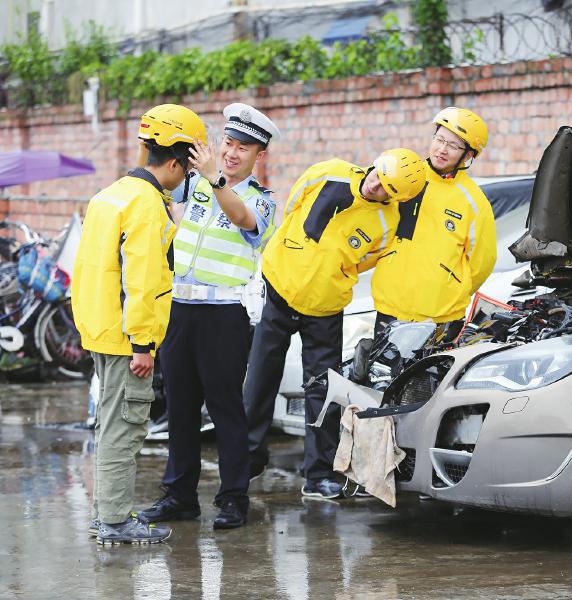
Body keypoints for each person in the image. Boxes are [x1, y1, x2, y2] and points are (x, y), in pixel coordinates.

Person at [242, 148, 426, 499]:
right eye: (377, 177)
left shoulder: (387, 223)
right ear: (374, 166)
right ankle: (247, 461)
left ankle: (318, 475)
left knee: (321, 393)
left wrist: (331, 271)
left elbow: (366, 261)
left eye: (387, 189)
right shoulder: (328, 172)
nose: (376, 187)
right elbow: (294, 203)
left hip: (324, 307)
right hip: (279, 288)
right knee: (260, 380)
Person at [139, 103, 280, 530]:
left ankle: (234, 497)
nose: (233, 153)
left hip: (223, 315)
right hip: (180, 310)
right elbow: (171, 203)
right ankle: (180, 496)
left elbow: (241, 218)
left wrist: (216, 179)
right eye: (228, 143)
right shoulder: (195, 186)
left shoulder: (264, 200)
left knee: (225, 409)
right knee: (180, 408)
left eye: (244, 147)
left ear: (261, 155)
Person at [72, 103, 207, 545]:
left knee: (110, 424)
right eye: (187, 170)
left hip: (99, 327)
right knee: (125, 427)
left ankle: (105, 511)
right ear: (175, 163)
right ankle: (113, 520)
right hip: (126, 337)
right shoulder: (147, 205)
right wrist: (143, 345)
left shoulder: (110, 194)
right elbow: (143, 281)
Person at [371, 107, 497, 335]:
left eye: (453, 145)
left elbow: (482, 262)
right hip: (390, 308)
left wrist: (452, 288)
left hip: (441, 318)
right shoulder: (406, 177)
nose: (442, 149)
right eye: (439, 139)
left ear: (468, 155)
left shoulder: (474, 201)